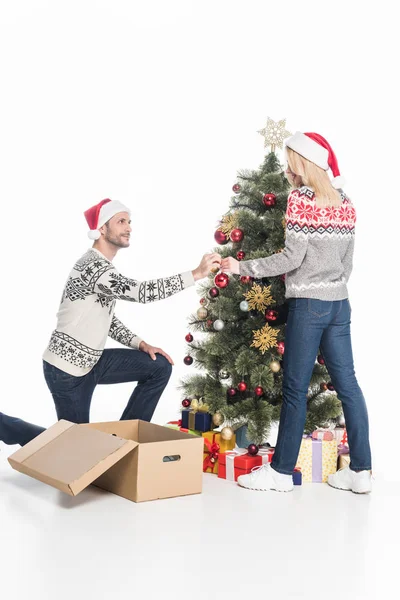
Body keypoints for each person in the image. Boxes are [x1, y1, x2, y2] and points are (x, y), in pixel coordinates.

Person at [221, 132, 372, 495]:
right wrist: (331, 284)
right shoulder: (345, 201)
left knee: (293, 388)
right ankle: (361, 471)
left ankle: (281, 471)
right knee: (348, 385)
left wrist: (241, 267)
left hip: (309, 305)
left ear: (299, 162)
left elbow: (291, 259)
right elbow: (348, 262)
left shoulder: (302, 200)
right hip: (340, 303)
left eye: (291, 158)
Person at [0, 198, 221, 447]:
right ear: (102, 229)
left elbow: (108, 319)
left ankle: (123, 445)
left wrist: (140, 344)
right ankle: (7, 427)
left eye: (129, 222)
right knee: (72, 451)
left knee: (158, 366)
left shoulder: (104, 267)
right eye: (121, 221)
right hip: (67, 370)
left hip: (92, 361)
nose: (129, 227)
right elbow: (141, 292)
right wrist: (196, 274)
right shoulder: (93, 267)